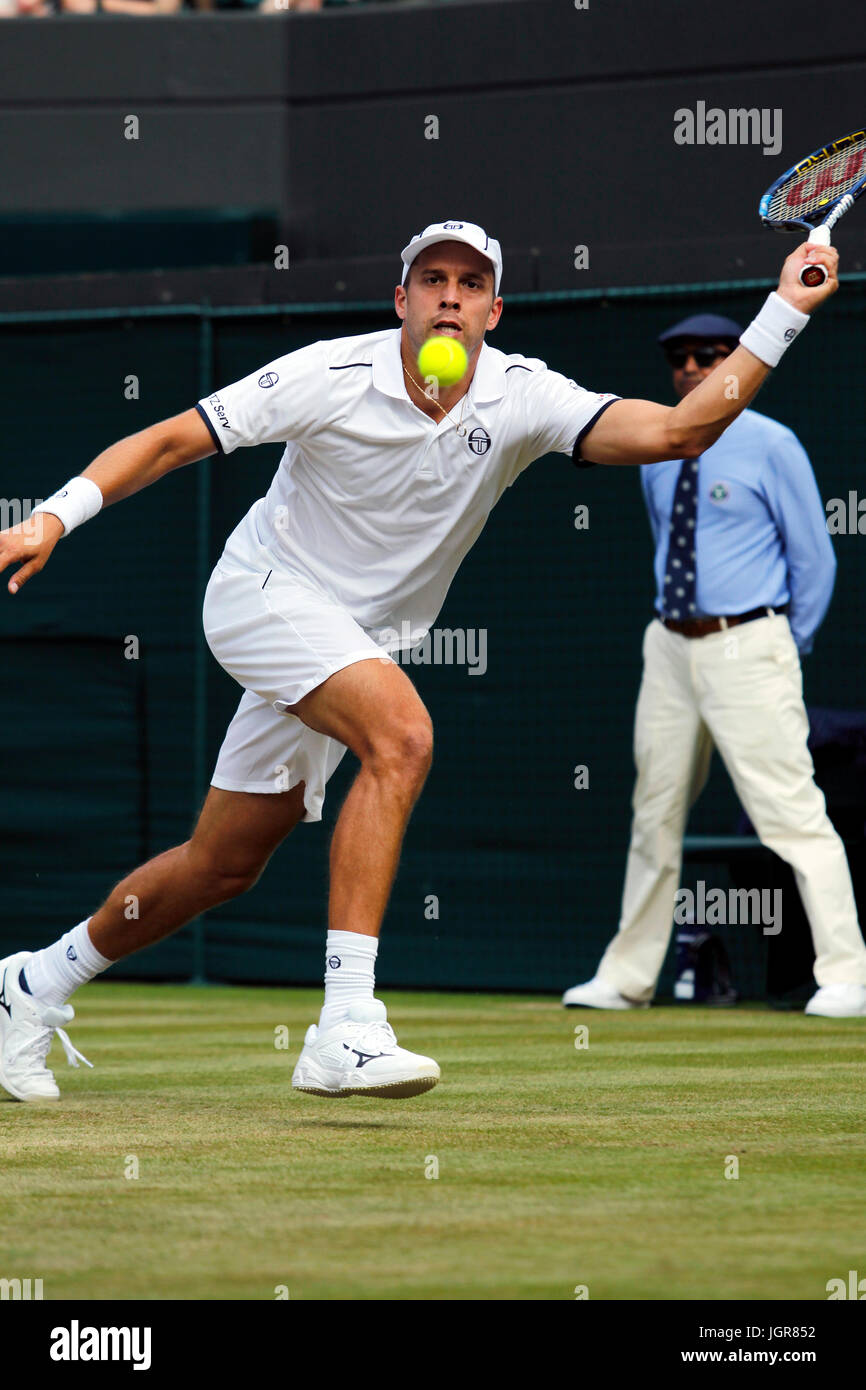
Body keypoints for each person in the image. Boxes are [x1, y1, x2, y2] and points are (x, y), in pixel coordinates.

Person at [0, 220, 836, 1103]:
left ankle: (30, 984)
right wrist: (53, 516)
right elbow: (174, 440)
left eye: (470, 284)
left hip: (350, 639)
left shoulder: (524, 396)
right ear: (400, 300)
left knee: (222, 865)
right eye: (431, 279)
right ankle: (346, 1024)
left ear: (493, 311)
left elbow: (678, 431)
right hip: (264, 593)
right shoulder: (330, 373)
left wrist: (785, 308)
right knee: (402, 737)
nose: (449, 294)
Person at [562, 313, 866, 1019]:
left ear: (739, 360)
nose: (693, 368)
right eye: (680, 358)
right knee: (654, 811)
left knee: (791, 813)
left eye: (710, 355)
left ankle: (848, 974)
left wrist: (786, 645)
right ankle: (628, 978)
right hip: (668, 645)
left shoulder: (773, 445)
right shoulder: (659, 449)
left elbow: (815, 561)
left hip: (749, 641)